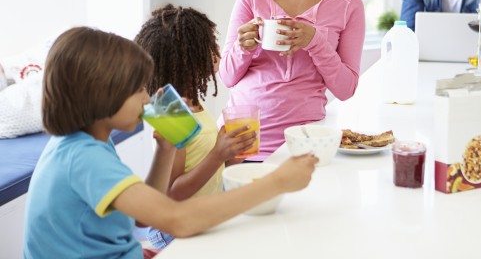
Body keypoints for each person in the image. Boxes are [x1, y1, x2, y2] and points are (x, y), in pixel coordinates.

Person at [23, 26, 318, 259]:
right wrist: (277, 182)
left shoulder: (82, 144)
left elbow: (141, 218)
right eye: (138, 88)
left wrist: (167, 148)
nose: (147, 98)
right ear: (101, 94)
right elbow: (176, 220)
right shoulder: (85, 159)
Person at [219, 0, 366, 160]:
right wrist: (244, 47)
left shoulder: (349, 6)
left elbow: (346, 90)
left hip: (300, 146)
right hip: (240, 141)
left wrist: (315, 42)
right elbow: (228, 77)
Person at [134, 4, 256, 249]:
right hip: (174, 231)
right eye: (208, 46)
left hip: (199, 218)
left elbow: (202, 162)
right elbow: (172, 193)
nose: (217, 50)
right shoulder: (172, 113)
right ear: (186, 61)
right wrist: (217, 155)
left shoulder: (193, 103)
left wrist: (231, 156)